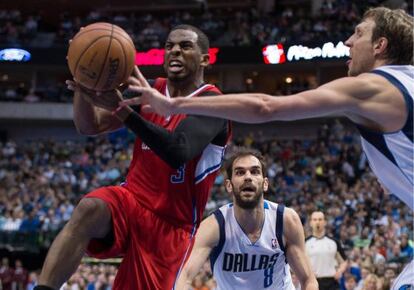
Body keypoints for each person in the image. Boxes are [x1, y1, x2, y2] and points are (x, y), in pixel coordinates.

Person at [121, 8, 413, 289]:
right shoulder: (406, 82)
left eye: (358, 33)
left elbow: (266, 107)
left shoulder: (373, 87)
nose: (348, 40)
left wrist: (174, 104)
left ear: (380, 45)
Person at [34, 24, 231, 290]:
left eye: (185, 46)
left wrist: (125, 112)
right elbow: (90, 126)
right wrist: (83, 84)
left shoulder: (213, 102)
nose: (175, 51)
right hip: (132, 200)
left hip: (173, 225)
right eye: (169, 46)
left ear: (205, 59)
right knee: (89, 208)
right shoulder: (152, 89)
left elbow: (178, 151)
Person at [175, 148, 318, 290]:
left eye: (255, 171)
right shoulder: (214, 226)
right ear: (229, 185)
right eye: (240, 172)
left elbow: (308, 280)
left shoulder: (286, 220)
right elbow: (183, 276)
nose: (248, 177)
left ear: (265, 183)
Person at [305, 211, 347, 290]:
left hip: (332, 282)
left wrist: (340, 271)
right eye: (315, 219)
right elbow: (298, 262)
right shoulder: (304, 243)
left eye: (320, 219)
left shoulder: (334, 242)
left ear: (325, 222)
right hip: (313, 282)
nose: (317, 222)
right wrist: (306, 274)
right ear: (310, 223)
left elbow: (344, 261)